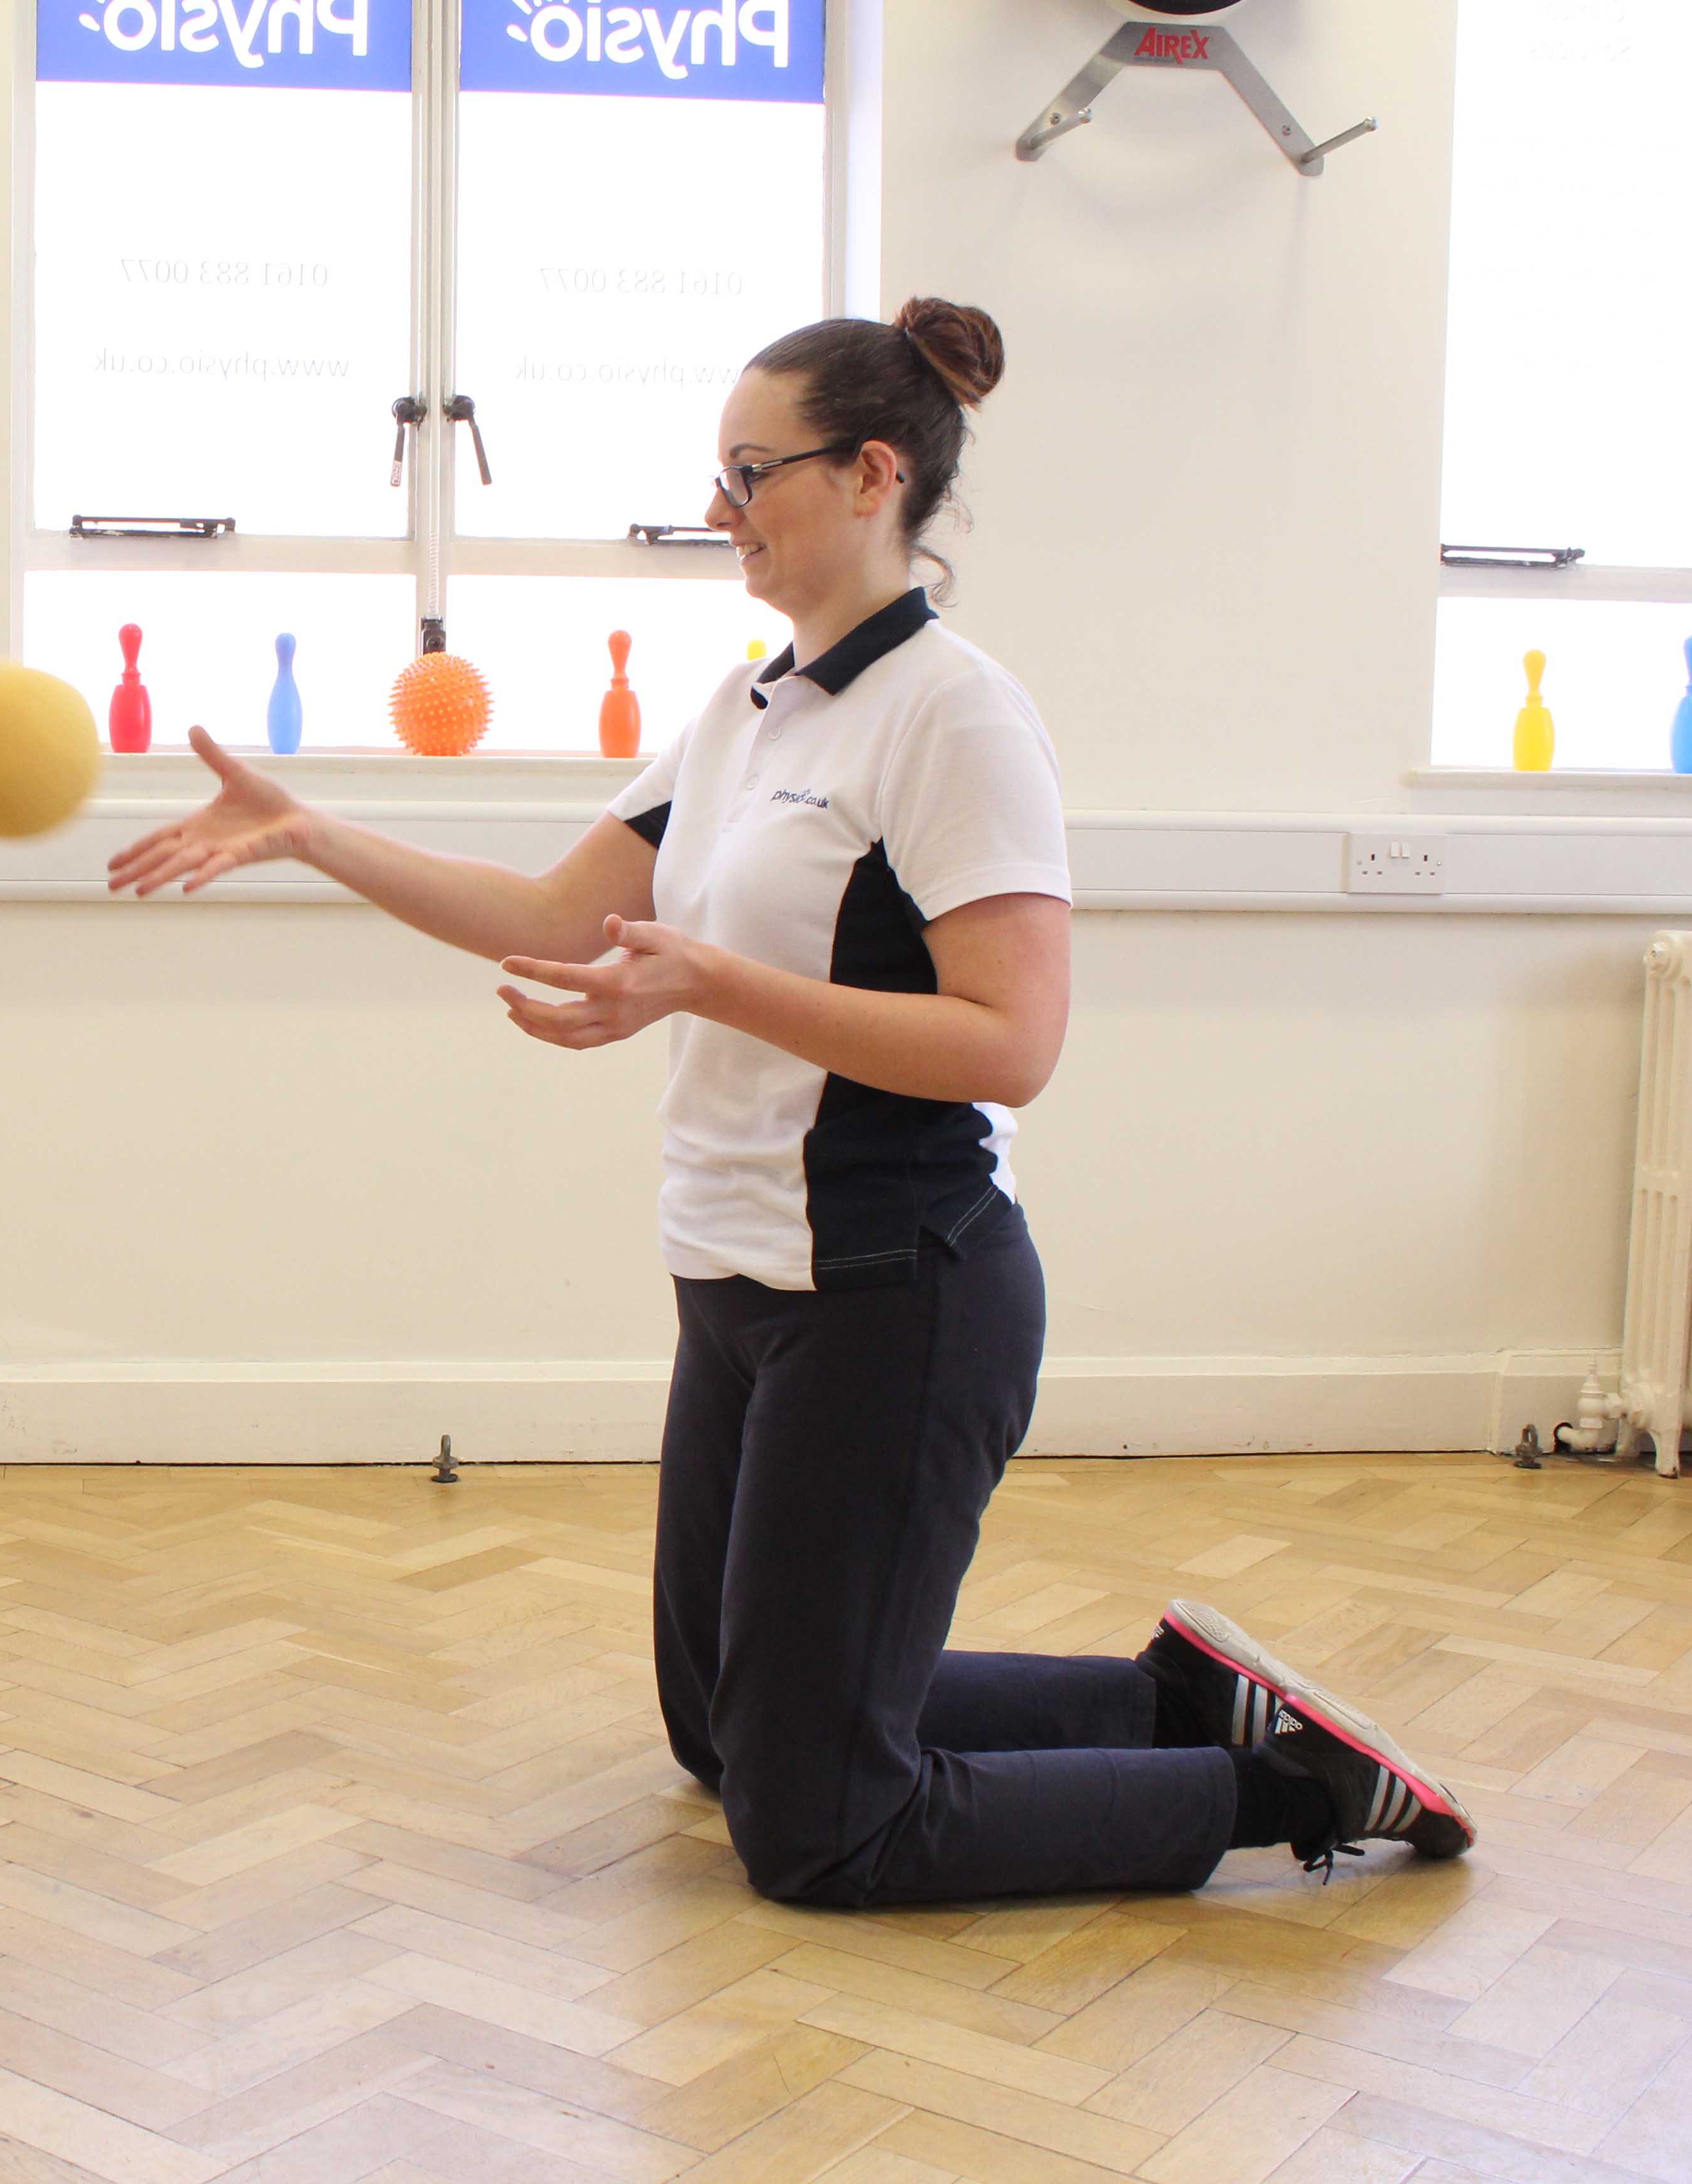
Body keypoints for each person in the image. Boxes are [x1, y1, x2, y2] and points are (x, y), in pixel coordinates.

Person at [109, 302, 1471, 1903]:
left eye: (755, 471)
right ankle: (1161, 1698)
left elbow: (1010, 1043)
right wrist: (311, 834)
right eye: (720, 471)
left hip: (899, 1288)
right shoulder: (745, 712)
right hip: (740, 1280)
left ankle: (1280, 1790)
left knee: (824, 1830)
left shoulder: (957, 717)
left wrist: (707, 985)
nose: (723, 507)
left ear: (875, 473)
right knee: (720, 1731)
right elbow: (562, 915)